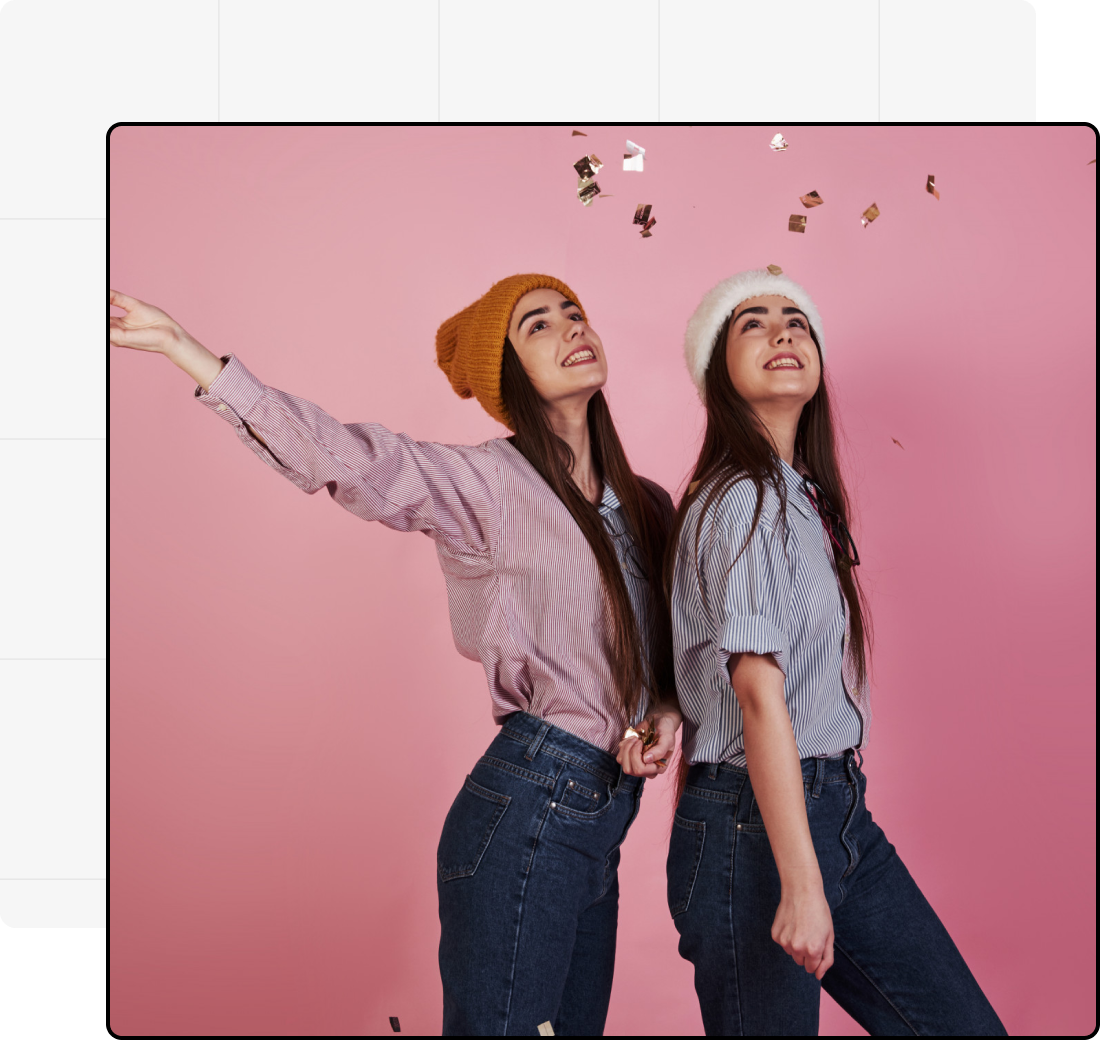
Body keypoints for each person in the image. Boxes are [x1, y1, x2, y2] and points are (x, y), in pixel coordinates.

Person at [108, 274, 683, 1036]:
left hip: (599, 825)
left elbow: (667, 654)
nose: (571, 328)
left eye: (573, 313)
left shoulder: (644, 505)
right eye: (538, 325)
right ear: (508, 374)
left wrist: (663, 711)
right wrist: (193, 355)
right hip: (528, 806)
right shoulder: (487, 483)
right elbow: (350, 459)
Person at [664, 268, 1007, 1036]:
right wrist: (800, 882)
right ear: (715, 368)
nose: (784, 332)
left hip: (835, 810)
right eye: (752, 322)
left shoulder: (799, 495)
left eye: (797, 320)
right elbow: (757, 694)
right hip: (755, 830)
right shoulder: (742, 498)